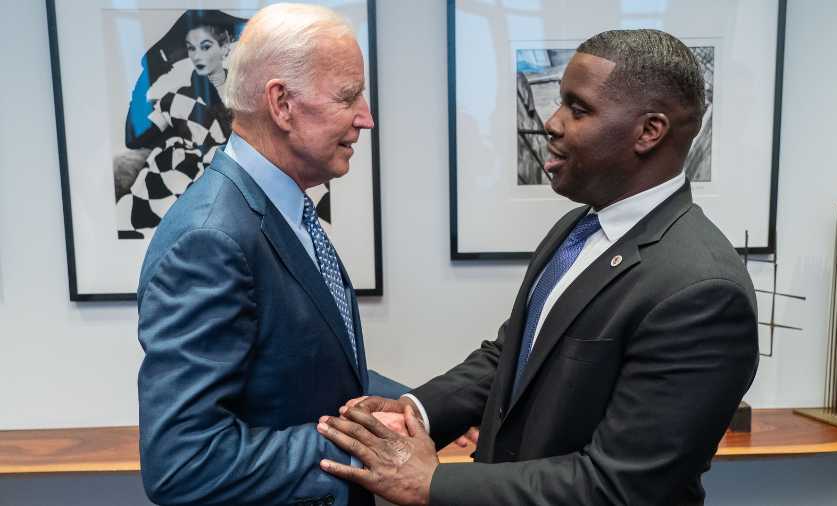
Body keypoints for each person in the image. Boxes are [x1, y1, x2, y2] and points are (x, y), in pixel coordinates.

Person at [316, 29, 759, 505]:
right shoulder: (577, 229)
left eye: (579, 108)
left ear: (649, 132)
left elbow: (623, 487)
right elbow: (512, 357)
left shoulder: (702, 289)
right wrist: (418, 412)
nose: (552, 122)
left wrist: (432, 484)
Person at [136, 4, 403, 505]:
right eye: (349, 96)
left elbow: (304, 369)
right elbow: (183, 462)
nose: (365, 117)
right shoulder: (210, 238)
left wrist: (413, 406)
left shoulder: (282, 208)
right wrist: (361, 448)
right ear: (281, 104)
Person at [116, 13, 240, 238]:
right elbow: (135, 137)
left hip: (237, 195)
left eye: (205, 46)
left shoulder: (248, 97)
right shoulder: (176, 100)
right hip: (186, 191)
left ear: (224, 47)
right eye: (191, 48)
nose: (197, 55)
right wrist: (150, 70)